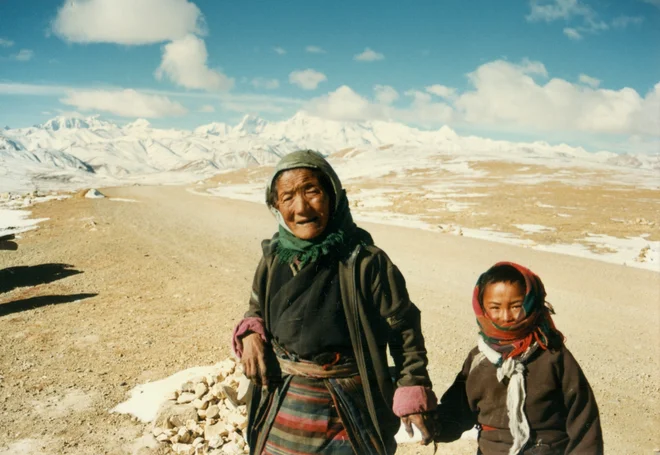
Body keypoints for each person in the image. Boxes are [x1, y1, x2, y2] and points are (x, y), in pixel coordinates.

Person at [231, 150, 437, 455]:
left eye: (312, 191)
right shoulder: (274, 258)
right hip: (283, 399)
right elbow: (257, 308)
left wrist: (411, 388)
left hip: (347, 403)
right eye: (287, 197)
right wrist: (250, 333)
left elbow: (404, 330)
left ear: (333, 195)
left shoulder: (365, 262)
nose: (301, 208)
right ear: (275, 206)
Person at [433, 262, 603, 455]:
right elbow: (458, 410)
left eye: (516, 306)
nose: (506, 316)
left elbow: (583, 420)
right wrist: (434, 425)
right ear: (482, 308)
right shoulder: (479, 358)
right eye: (495, 308)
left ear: (531, 302)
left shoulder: (552, 354)